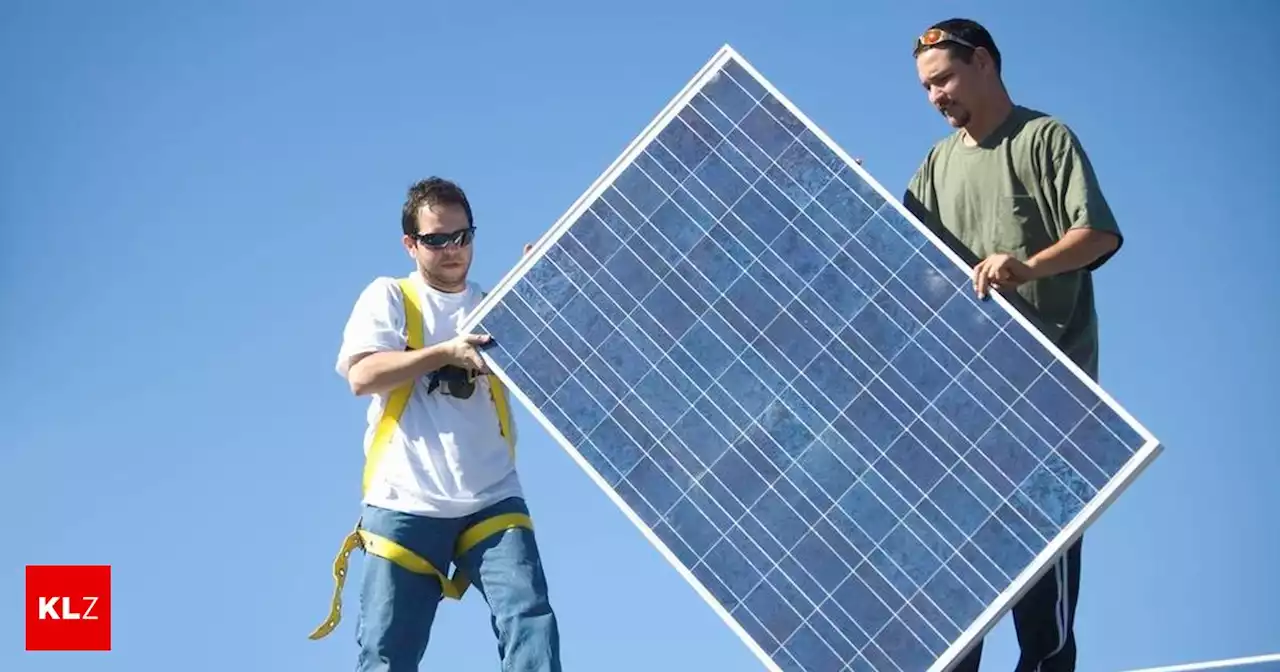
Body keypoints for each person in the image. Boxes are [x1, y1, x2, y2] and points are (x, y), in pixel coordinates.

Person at [902, 17, 1123, 672]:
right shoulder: (936, 166)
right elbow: (901, 263)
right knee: (953, 596)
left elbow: (1099, 237)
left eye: (943, 79)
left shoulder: (1043, 139)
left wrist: (1026, 266)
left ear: (985, 65)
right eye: (925, 88)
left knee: (1041, 602)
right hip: (966, 407)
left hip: (1048, 400)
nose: (936, 96)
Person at [332, 176, 561, 671]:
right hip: (405, 502)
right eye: (437, 239)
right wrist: (442, 353)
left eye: (463, 236)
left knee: (531, 622)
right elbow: (362, 375)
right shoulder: (391, 296)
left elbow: (561, 366)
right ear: (411, 244)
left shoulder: (496, 305)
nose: (453, 249)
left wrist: (546, 291)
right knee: (386, 652)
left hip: (492, 495)